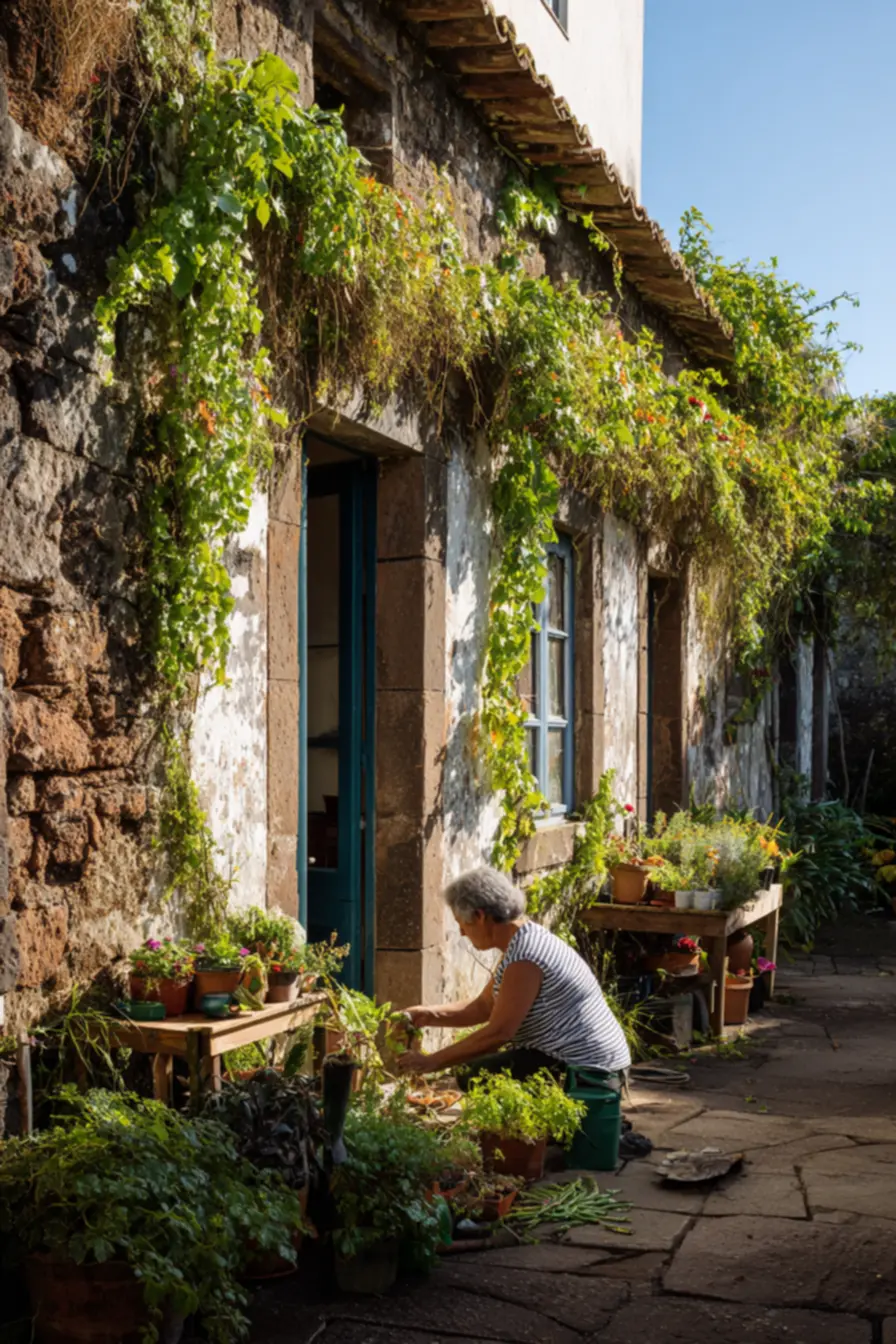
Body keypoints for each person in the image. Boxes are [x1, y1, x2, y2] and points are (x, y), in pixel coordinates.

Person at [396, 866, 631, 1086]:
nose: (462, 933)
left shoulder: (526, 958)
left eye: (461, 923)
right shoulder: (522, 939)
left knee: (472, 1076)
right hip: (575, 1059)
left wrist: (431, 1062)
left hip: (590, 1070)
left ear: (480, 916)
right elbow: (485, 1006)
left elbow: (499, 1033)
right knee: (471, 1071)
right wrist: (426, 1014)